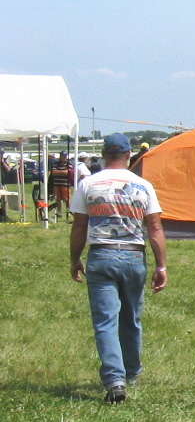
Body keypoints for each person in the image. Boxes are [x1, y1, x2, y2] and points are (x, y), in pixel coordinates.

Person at [68, 133, 168, 402]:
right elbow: (155, 228)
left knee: (105, 322)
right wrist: (161, 266)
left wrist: (75, 259)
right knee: (131, 318)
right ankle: (132, 372)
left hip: (101, 255)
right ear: (128, 154)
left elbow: (80, 227)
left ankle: (114, 379)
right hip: (134, 257)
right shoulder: (144, 186)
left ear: (103, 154)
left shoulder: (87, 184)